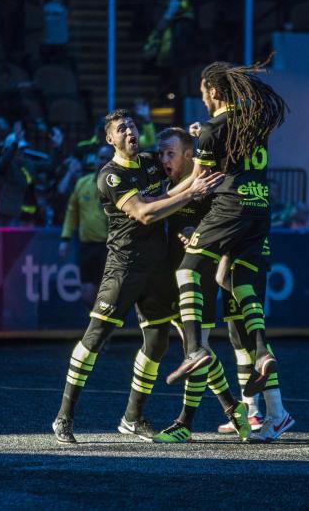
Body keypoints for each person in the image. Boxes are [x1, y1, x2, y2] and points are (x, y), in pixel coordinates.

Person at [52, 109, 222, 444]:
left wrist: (201, 142)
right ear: (110, 139)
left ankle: (132, 417)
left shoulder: (150, 162)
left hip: (157, 269)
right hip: (124, 267)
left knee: (157, 342)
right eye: (121, 128)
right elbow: (144, 212)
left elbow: (175, 184)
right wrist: (191, 192)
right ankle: (63, 417)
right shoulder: (110, 176)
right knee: (95, 337)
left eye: (131, 125)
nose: (129, 131)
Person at [167, 59, 287, 403]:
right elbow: (227, 148)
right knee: (237, 282)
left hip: (230, 209)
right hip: (260, 210)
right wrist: (201, 134)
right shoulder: (253, 124)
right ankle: (263, 350)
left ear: (215, 90)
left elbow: (197, 181)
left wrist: (159, 199)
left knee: (188, 270)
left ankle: (194, 349)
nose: (202, 99)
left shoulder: (211, 129)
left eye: (203, 92)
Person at [150, 127, 251, 444]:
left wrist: (199, 233)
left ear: (190, 154)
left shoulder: (208, 186)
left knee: (197, 351)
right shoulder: (168, 185)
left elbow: (227, 228)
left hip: (200, 278)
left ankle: (185, 424)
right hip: (176, 278)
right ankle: (234, 410)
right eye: (162, 153)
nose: (164, 159)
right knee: (198, 351)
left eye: (171, 153)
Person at [216, 246, 295, 442]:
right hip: (237, 256)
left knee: (252, 338)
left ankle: (277, 414)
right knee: (239, 339)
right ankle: (251, 410)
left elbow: (241, 218)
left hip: (246, 256)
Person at [59, 145, 112, 309]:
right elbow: (71, 212)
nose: (102, 162)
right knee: (88, 296)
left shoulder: (117, 187)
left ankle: (102, 332)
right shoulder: (82, 183)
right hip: (86, 247)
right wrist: (65, 239)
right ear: (95, 160)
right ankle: (98, 330)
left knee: (107, 298)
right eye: (100, 158)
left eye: (107, 159)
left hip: (109, 248)